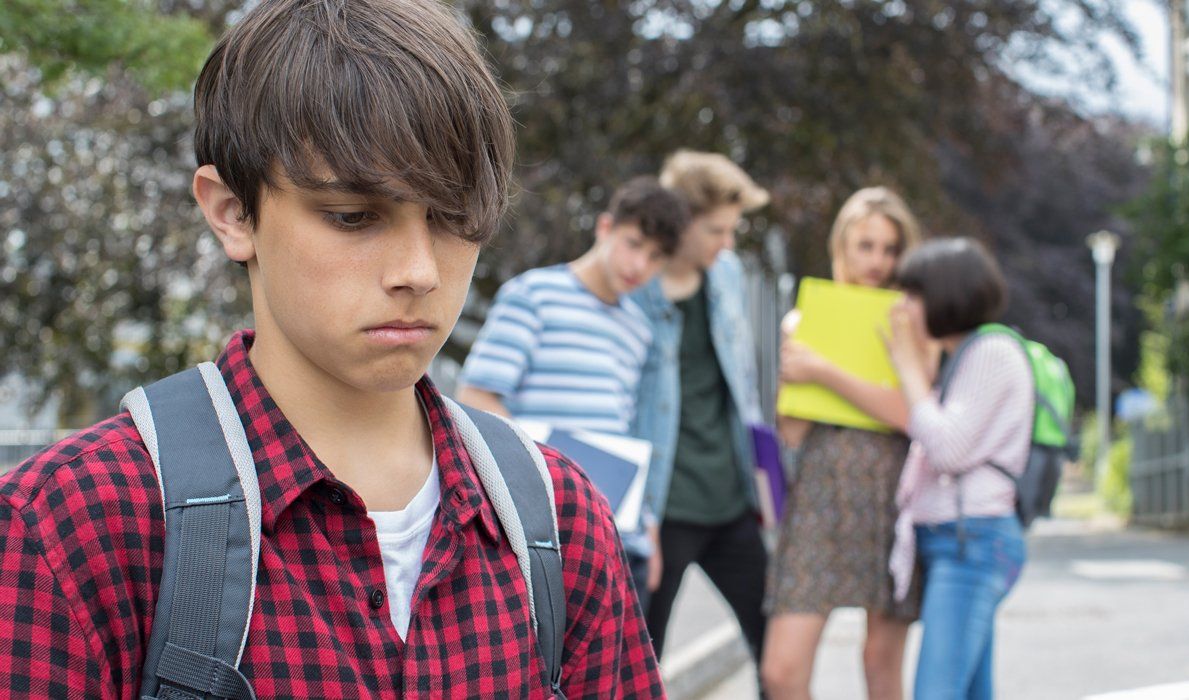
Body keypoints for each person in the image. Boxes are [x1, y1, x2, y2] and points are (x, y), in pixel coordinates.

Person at [0, 1, 663, 697]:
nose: (419, 271)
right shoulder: (73, 525)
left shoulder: (561, 518)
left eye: (453, 216)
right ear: (232, 211)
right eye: (353, 216)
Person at [456, 175, 690, 610]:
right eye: (634, 244)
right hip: (544, 531)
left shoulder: (640, 330)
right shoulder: (533, 294)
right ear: (605, 227)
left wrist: (649, 528)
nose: (640, 265)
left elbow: (625, 431)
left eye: (656, 257)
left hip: (618, 538)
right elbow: (475, 397)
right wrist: (548, 467)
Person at [761, 187, 925, 700]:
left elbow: (911, 415)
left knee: (880, 666)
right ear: (843, 248)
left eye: (890, 249)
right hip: (820, 494)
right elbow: (791, 430)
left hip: (891, 494)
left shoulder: (911, 319)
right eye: (865, 246)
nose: (878, 261)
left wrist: (824, 372)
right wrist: (794, 371)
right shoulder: (807, 318)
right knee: (781, 671)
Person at [631, 149, 770, 669]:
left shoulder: (726, 274)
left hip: (733, 502)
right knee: (643, 664)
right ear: (682, 220)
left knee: (775, 652)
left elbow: (743, 389)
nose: (727, 243)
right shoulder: (636, 288)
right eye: (716, 230)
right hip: (664, 508)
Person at [885, 238, 1031, 700]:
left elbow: (948, 448)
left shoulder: (992, 352)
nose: (903, 307)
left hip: (972, 541)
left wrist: (908, 369)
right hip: (962, 540)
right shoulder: (966, 355)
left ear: (944, 295)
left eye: (913, 295)